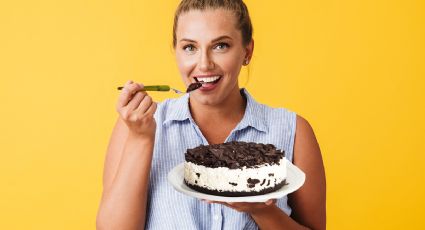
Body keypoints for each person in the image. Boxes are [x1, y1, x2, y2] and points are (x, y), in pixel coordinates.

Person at [96, 0, 326, 229]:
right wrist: (141, 139)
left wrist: (260, 209)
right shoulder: (138, 125)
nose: (204, 64)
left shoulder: (293, 130)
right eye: (190, 48)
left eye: (220, 46)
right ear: (175, 51)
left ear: (247, 52)